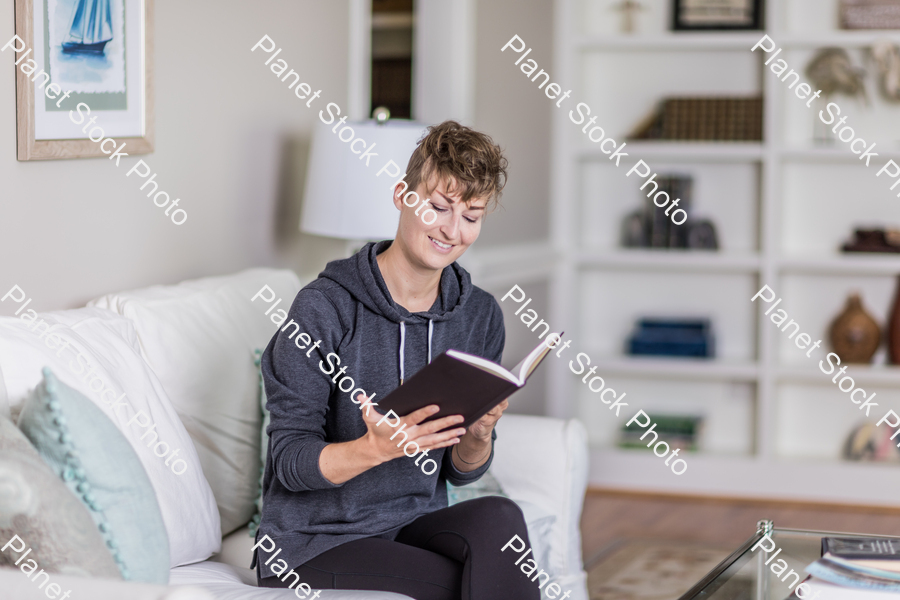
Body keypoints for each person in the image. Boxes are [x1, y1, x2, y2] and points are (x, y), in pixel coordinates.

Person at [255, 121, 540, 600]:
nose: (453, 230)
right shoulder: (324, 308)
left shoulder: (478, 315)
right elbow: (288, 463)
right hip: (311, 544)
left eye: (471, 216)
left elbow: (460, 471)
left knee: (500, 519)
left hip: (411, 524)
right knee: (467, 586)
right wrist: (376, 448)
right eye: (438, 207)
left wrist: (478, 434)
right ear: (402, 197)